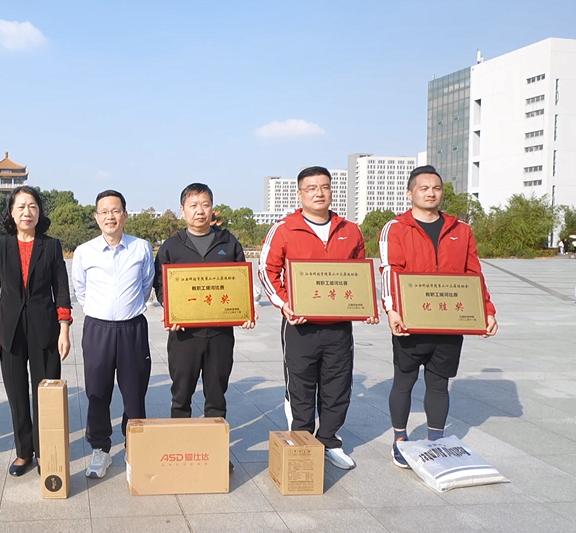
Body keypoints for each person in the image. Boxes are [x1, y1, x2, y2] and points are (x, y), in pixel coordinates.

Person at [379, 165, 498, 468]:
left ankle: (436, 440)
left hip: (448, 323)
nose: (431, 193)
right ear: (410, 193)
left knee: (439, 383)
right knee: (404, 380)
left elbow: (474, 274)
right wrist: (392, 309)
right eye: (424, 188)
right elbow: (390, 270)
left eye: (436, 188)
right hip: (410, 322)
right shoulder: (396, 228)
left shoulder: (461, 230)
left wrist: (487, 311)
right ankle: (400, 439)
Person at [260, 166, 378, 470]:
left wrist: (365, 305)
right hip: (300, 327)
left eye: (324, 187)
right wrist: (285, 304)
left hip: (339, 327)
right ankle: (301, 442)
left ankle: (329, 441)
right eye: (311, 188)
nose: (318, 193)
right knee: (300, 386)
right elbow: (267, 270)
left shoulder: (350, 230)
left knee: (337, 385)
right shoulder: (285, 228)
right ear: (300, 194)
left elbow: (358, 272)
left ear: (331, 191)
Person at [153, 183, 255, 472]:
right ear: (183, 210)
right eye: (193, 205)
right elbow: (160, 284)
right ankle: (180, 450)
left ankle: (215, 453)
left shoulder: (228, 242)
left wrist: (245, 310)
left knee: (216, 396)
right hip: (184, 336)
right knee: (181, 395)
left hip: (220, 335)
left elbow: (240, 283)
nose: (200, 210)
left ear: (213, 208)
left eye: (205, 204)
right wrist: (169, 308)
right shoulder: (171, 246)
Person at [0, 186, 71, 476]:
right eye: (20, 206)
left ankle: (45, 451)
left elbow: (61, 291)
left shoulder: (52, 245)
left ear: (39, 211)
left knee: (45, 395)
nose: (27, 212)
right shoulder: (0, 246)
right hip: (10, 331)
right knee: (17, 395)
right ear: (11, 212)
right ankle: (24, 452)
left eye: (32, 206)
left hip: (45, 328)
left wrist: (64, 329)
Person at [72, 190, 154, 478]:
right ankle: (100, 449)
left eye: (116, 210)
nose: (110, 216)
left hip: (132, 329)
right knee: (97, 392)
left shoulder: (141, 248)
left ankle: (135, 447)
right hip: (98, 329)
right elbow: (80, 289)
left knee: (135, 392)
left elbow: (146, 285)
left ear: (125, 215)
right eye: (104, 211)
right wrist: (100, 312)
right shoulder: (84, 252)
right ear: (96, 217)